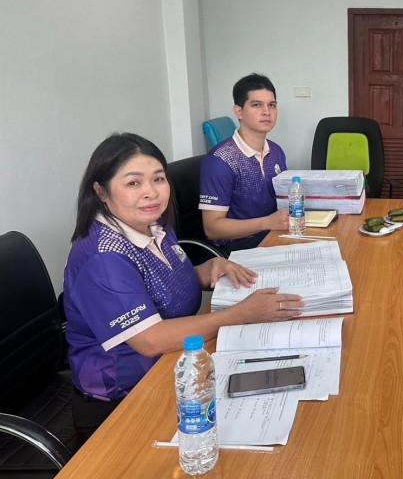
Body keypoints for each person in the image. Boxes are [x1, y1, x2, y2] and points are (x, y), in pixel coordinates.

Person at [64, 133, 304, 442]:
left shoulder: (153, 226)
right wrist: (241, 314)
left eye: (158, 179)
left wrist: (208, 269)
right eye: (133, 183)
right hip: (124, 400)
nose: (151, 193)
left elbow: (162, 282)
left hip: (178, 364)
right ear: (101, 192)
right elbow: (150, 340)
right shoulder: (103, 257)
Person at [200, 73, 290, 254]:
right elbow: (212, 229)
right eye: (257, 105)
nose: (267, 112)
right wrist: (267, 222)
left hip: (273, 235)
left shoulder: (276, 151)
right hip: (236, 248)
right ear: (239, 111)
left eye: (272, 105)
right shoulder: (220, 160)